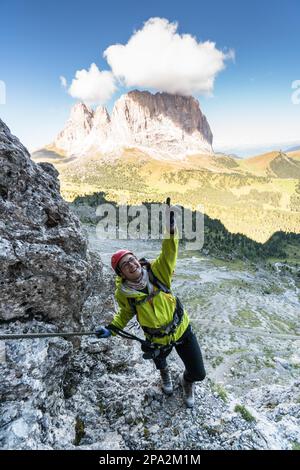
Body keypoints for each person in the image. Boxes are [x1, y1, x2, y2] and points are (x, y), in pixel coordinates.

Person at [96, 204, 206, 408]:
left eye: (132, 259)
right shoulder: (124, 293)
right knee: (159, 359)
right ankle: (164, 373)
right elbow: (126, 313)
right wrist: (111, 329)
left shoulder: (158, 272)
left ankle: (187, 381)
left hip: (181, 330)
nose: (131, 264)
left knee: (199, 372)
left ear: (137, 260)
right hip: (156, 338)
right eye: (125, 265)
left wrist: (171, 230)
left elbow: (169, 252)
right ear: (121, 274)